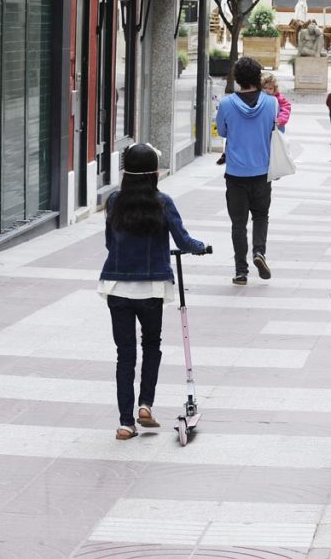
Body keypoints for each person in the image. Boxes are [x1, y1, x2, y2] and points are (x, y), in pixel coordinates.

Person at [98, 143, 208, 440]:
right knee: (151, 345)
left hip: (117, 285)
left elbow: (110, 243)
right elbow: (183, 241)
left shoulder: (114, 202)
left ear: (125, 172)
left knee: (124, 354)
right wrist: (201, 248)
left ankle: (125, 423)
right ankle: (145, 404)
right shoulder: (163, 202)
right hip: (151, 287)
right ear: (155, 173)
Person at [215, 57, 278, 286]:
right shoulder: (271, 103)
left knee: (238, 223)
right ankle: (259, 252)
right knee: (261, 216)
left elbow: (222, 131)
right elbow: (274, 128)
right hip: (262, 171)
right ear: (258, 78)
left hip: (235, 173)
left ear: (238, 79)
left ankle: (241, 271)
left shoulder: (226, 104)